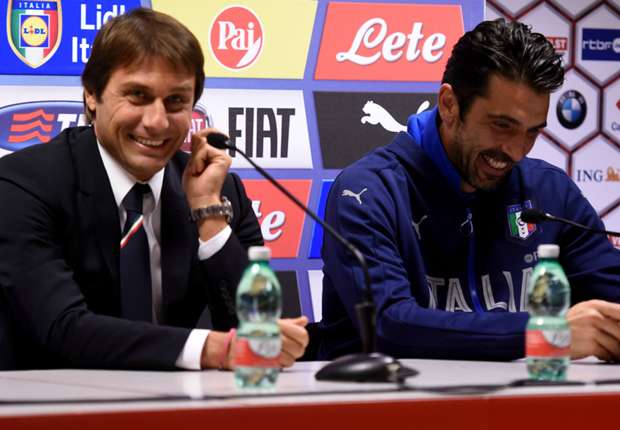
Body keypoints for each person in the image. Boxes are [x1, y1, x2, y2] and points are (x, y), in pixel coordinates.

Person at [0, 8, 308, 370]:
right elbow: (63, 328)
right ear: (91, 96)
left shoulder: (221, 190)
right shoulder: (23, 184)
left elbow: (257, 332)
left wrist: (207, 211)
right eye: (138, 96)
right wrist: (214, 349)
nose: (157, 122)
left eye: (176, 101)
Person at [320, 19, 620, 362]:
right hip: (384, 407)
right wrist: (543, 335)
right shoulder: (367, 192)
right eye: (501, 126)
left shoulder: (549, 191)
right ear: (449, 104)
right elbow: (391, 326)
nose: (517, 150)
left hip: (518, 407)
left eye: (532, 132)